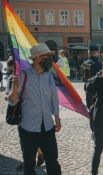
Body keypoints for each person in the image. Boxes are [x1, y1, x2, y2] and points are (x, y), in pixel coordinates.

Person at [7, 43, 62, 175]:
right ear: (37, 58)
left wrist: (57, 119)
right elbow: (12, 101)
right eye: (47, 57)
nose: (50, 59)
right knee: (29, 164)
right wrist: (14, 89)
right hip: (28, 128)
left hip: (47, 127)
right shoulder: (23, 75)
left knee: (53, 162)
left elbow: (54, 99)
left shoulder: (49, 75)